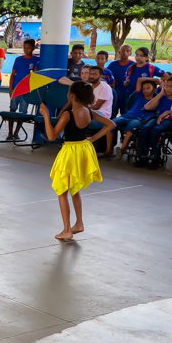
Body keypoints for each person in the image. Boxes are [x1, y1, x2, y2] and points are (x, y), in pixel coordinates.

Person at [40, 81, 115, 241]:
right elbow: (111, 124)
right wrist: (93, 138)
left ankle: (67, 229)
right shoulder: (89, 111)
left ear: (71, 95)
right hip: (83, 149)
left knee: (61, 191)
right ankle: (79, 223)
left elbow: (52, 136)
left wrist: (46, 116)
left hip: (70, 152)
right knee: (74, 189)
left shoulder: (68, 115)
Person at [136, 75, 172, 169]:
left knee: (156, 130)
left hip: (171, 120)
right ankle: (143, 156)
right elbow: (147, 107)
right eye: (167, 86)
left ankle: (155, 158)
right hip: (157, 118)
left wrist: (168, 112)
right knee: (144, 129)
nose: (168, 88)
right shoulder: (162, 97)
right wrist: (160, 94)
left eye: (171, 86)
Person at [5, 39, 39, 140]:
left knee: (23, 112)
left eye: (28, 48)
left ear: (33, 48)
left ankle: (16, 133)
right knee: (12, 110)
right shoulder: (18, 59)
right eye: (24, 48)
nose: (26, 50)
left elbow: (35, 75)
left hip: (26, 90)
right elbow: (12, 75)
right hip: (16, 89)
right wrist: (11, 89)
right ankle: (10, 133)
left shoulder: (36, 60)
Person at [107, 45, 134, 113]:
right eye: (123, 51)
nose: (125, 52)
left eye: (127, 51)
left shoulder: (134, 66)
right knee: (112, 113)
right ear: (119, 52)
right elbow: (106, 76)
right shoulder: (113, 64)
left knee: (125, 114)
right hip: (114, 93)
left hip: (127, 94)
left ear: (130, 53)